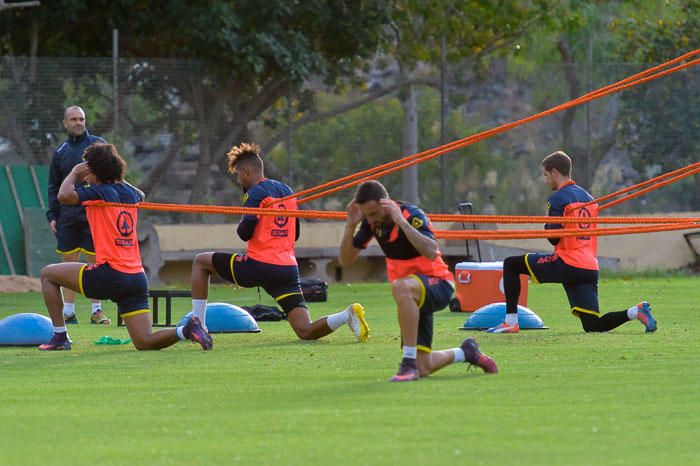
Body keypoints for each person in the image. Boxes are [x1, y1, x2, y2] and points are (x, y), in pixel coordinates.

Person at [38, 143, 212, 351]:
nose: (85, 177)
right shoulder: (130, 195)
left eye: (88, 170)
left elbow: (64, 196)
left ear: (94, 170)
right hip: (136, 277)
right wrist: (111, 171)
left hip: (110, 274)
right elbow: (141, 194)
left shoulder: (98, 192)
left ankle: (60, 337)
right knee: (144, 341)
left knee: (48, 275)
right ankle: (186, 330)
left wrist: (75, 171)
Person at [190, 142, 369, 342]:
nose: (239, 181)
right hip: (287, 270)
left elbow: (244, 232)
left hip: (258, 266)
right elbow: (295, 234)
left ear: (247, 171)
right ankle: (347, 315)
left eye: (238, 175)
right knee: (305, 331)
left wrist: (245, 221)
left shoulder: (255, 192)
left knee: (200, 261)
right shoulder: (287, 191)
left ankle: (199, 326)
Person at [339, 180, 498, 382]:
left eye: (373, 214)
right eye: (366, 215)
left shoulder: (412, 216)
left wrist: (401, 222)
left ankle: (407, 364)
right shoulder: (372, 223)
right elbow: (345, 260)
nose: (370, 220)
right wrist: (350, 225)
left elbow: (432, 251)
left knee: (401, 287)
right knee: (424, 366)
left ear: (386, 203)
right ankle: (467, 353)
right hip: (412, 295)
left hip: (438, 284)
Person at [487, 150, 657, 334]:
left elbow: (554, 238)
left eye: (545, 175)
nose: (545, 181)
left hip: (567, 264)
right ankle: (636, 311)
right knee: (592, 325)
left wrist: (547, 223)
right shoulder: (590, 199)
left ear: (555, 173)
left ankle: (510, 322)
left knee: (511, 264)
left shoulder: (557, 198)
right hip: (589, 268)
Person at [46, 106, 109, 325]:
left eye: (81, 118)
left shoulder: (99, 146)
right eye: (73, 119)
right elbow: (54, 186)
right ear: (65, 123)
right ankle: (68, 312)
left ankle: (97, 311)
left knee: (96, 263)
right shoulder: (60, 152)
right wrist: (52, 215)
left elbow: (110, 178)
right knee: (68, 265)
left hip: (95, 214)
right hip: (68, 217)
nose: (78, 122)